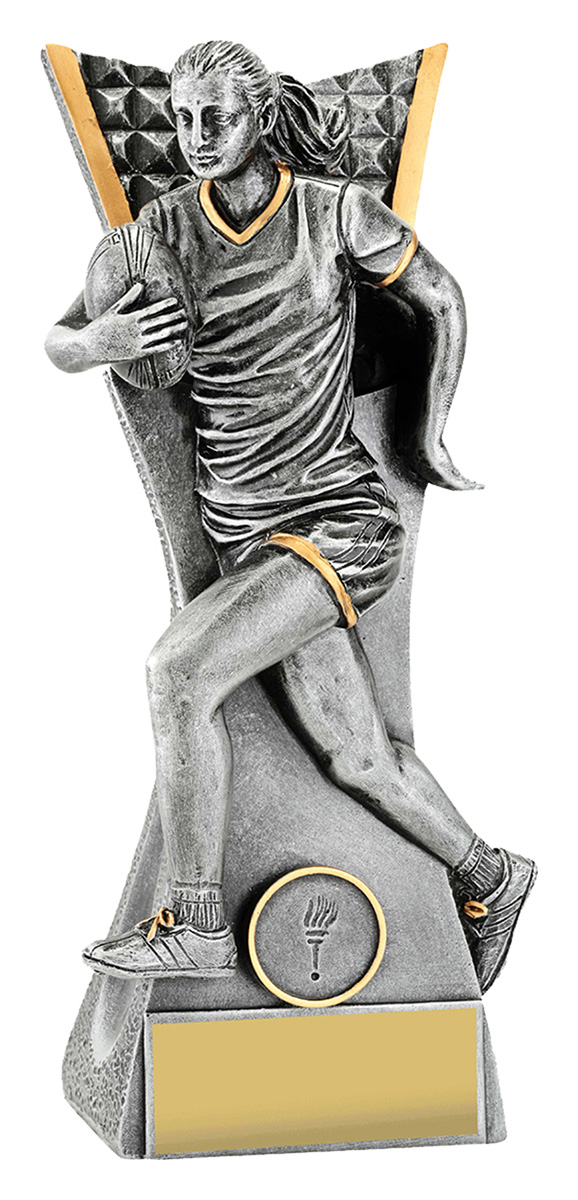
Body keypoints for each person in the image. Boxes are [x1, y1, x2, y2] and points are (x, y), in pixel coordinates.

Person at [45, 40, 535, 991]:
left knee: (178, 673)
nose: (196, 136)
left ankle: (196, 923)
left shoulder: (335, 212)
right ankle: (489, 874)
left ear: (261, 117)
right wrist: (101, 339)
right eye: (183, 118)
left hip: (337, 527)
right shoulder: (158, 231)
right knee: (358, 758)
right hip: (245, 537)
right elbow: (59, 343)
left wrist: (429, 435)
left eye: (217, 117)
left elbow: (443, 298)